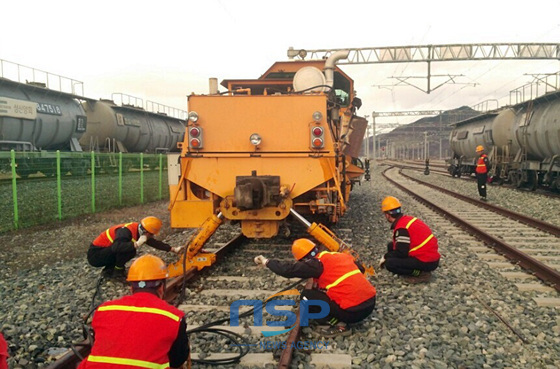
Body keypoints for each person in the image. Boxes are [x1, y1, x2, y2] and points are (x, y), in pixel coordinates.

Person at [78, 254, 190, 369]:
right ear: (161, 287)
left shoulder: (104, 309)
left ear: (132, 288)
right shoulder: (174, 317)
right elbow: (177, 360)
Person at [253, 238, 376, 337]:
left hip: (353, 313)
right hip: (370, 304)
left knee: (307, 296)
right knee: (322, 291)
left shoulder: (315, 264)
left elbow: (287, 270)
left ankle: (339, 325)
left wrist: (266, 262)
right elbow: (360, 269)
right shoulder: (339, 256)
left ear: (303, 259)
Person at [87, 216, 182, 278]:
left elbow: (154, 243)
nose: (152, 236)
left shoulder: (138, 230)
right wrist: (135, 244)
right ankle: (117, 273)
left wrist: (173, 249)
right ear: (146, 232)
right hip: (96, 256)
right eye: (152, 234)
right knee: (130, 250)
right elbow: (116, 247)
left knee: (128, 249)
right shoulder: (125, 231)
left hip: (104, 252)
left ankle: (109, 270)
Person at [379, 196, 440, 283]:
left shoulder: (402, 229)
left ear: (387, 215)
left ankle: (420, 273)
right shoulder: (407, 220)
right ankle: (416, 269)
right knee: (391, 246)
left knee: (390, 264)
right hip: (430, 256)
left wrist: (385, 257)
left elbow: (401, 253)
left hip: (427, 261)